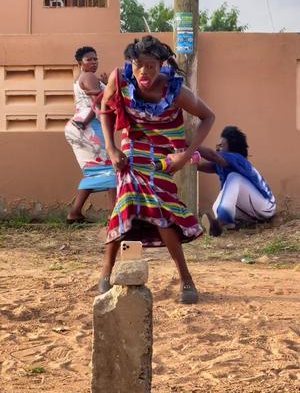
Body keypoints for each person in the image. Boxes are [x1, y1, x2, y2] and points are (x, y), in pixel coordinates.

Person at [99, 35, 215, 304]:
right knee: (126, 201)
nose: (144, 72)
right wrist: (111, 148)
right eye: (139, 64)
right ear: (131, 62)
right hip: (133, 147)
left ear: (161, 65)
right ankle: (105, 272)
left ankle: (186, 279)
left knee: (161, 207)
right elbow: (104, 107)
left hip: (164, 153)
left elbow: (208, 116)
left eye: (151, 66)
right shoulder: (120, 79)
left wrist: (185, 155)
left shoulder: (175, 90)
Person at [65, 46, 116, 224]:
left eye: (95, 58)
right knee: (110, 168)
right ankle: (113, 214)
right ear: (80, 63)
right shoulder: (89, 76)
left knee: (97, 171)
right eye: (89, 59)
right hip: (88, 128)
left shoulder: (83, 77)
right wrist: (111, 85)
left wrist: (107, 84)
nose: (93, 62)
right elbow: (100, 101)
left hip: (83, 127)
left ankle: (75, 212)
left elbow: (99, 96)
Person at [197, 126, 276, 236]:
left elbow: (213, 156)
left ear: (231, 148)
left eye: (221, 145)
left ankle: (220, 223)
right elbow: (200, 165)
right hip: (252, 211)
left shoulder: (237, 158)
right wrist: (181, 157)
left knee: (234, 177)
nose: (218, 149)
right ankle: (228, 225)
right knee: (217, 206)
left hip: (266, 207)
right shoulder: (222, 165)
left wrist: (190, 144)